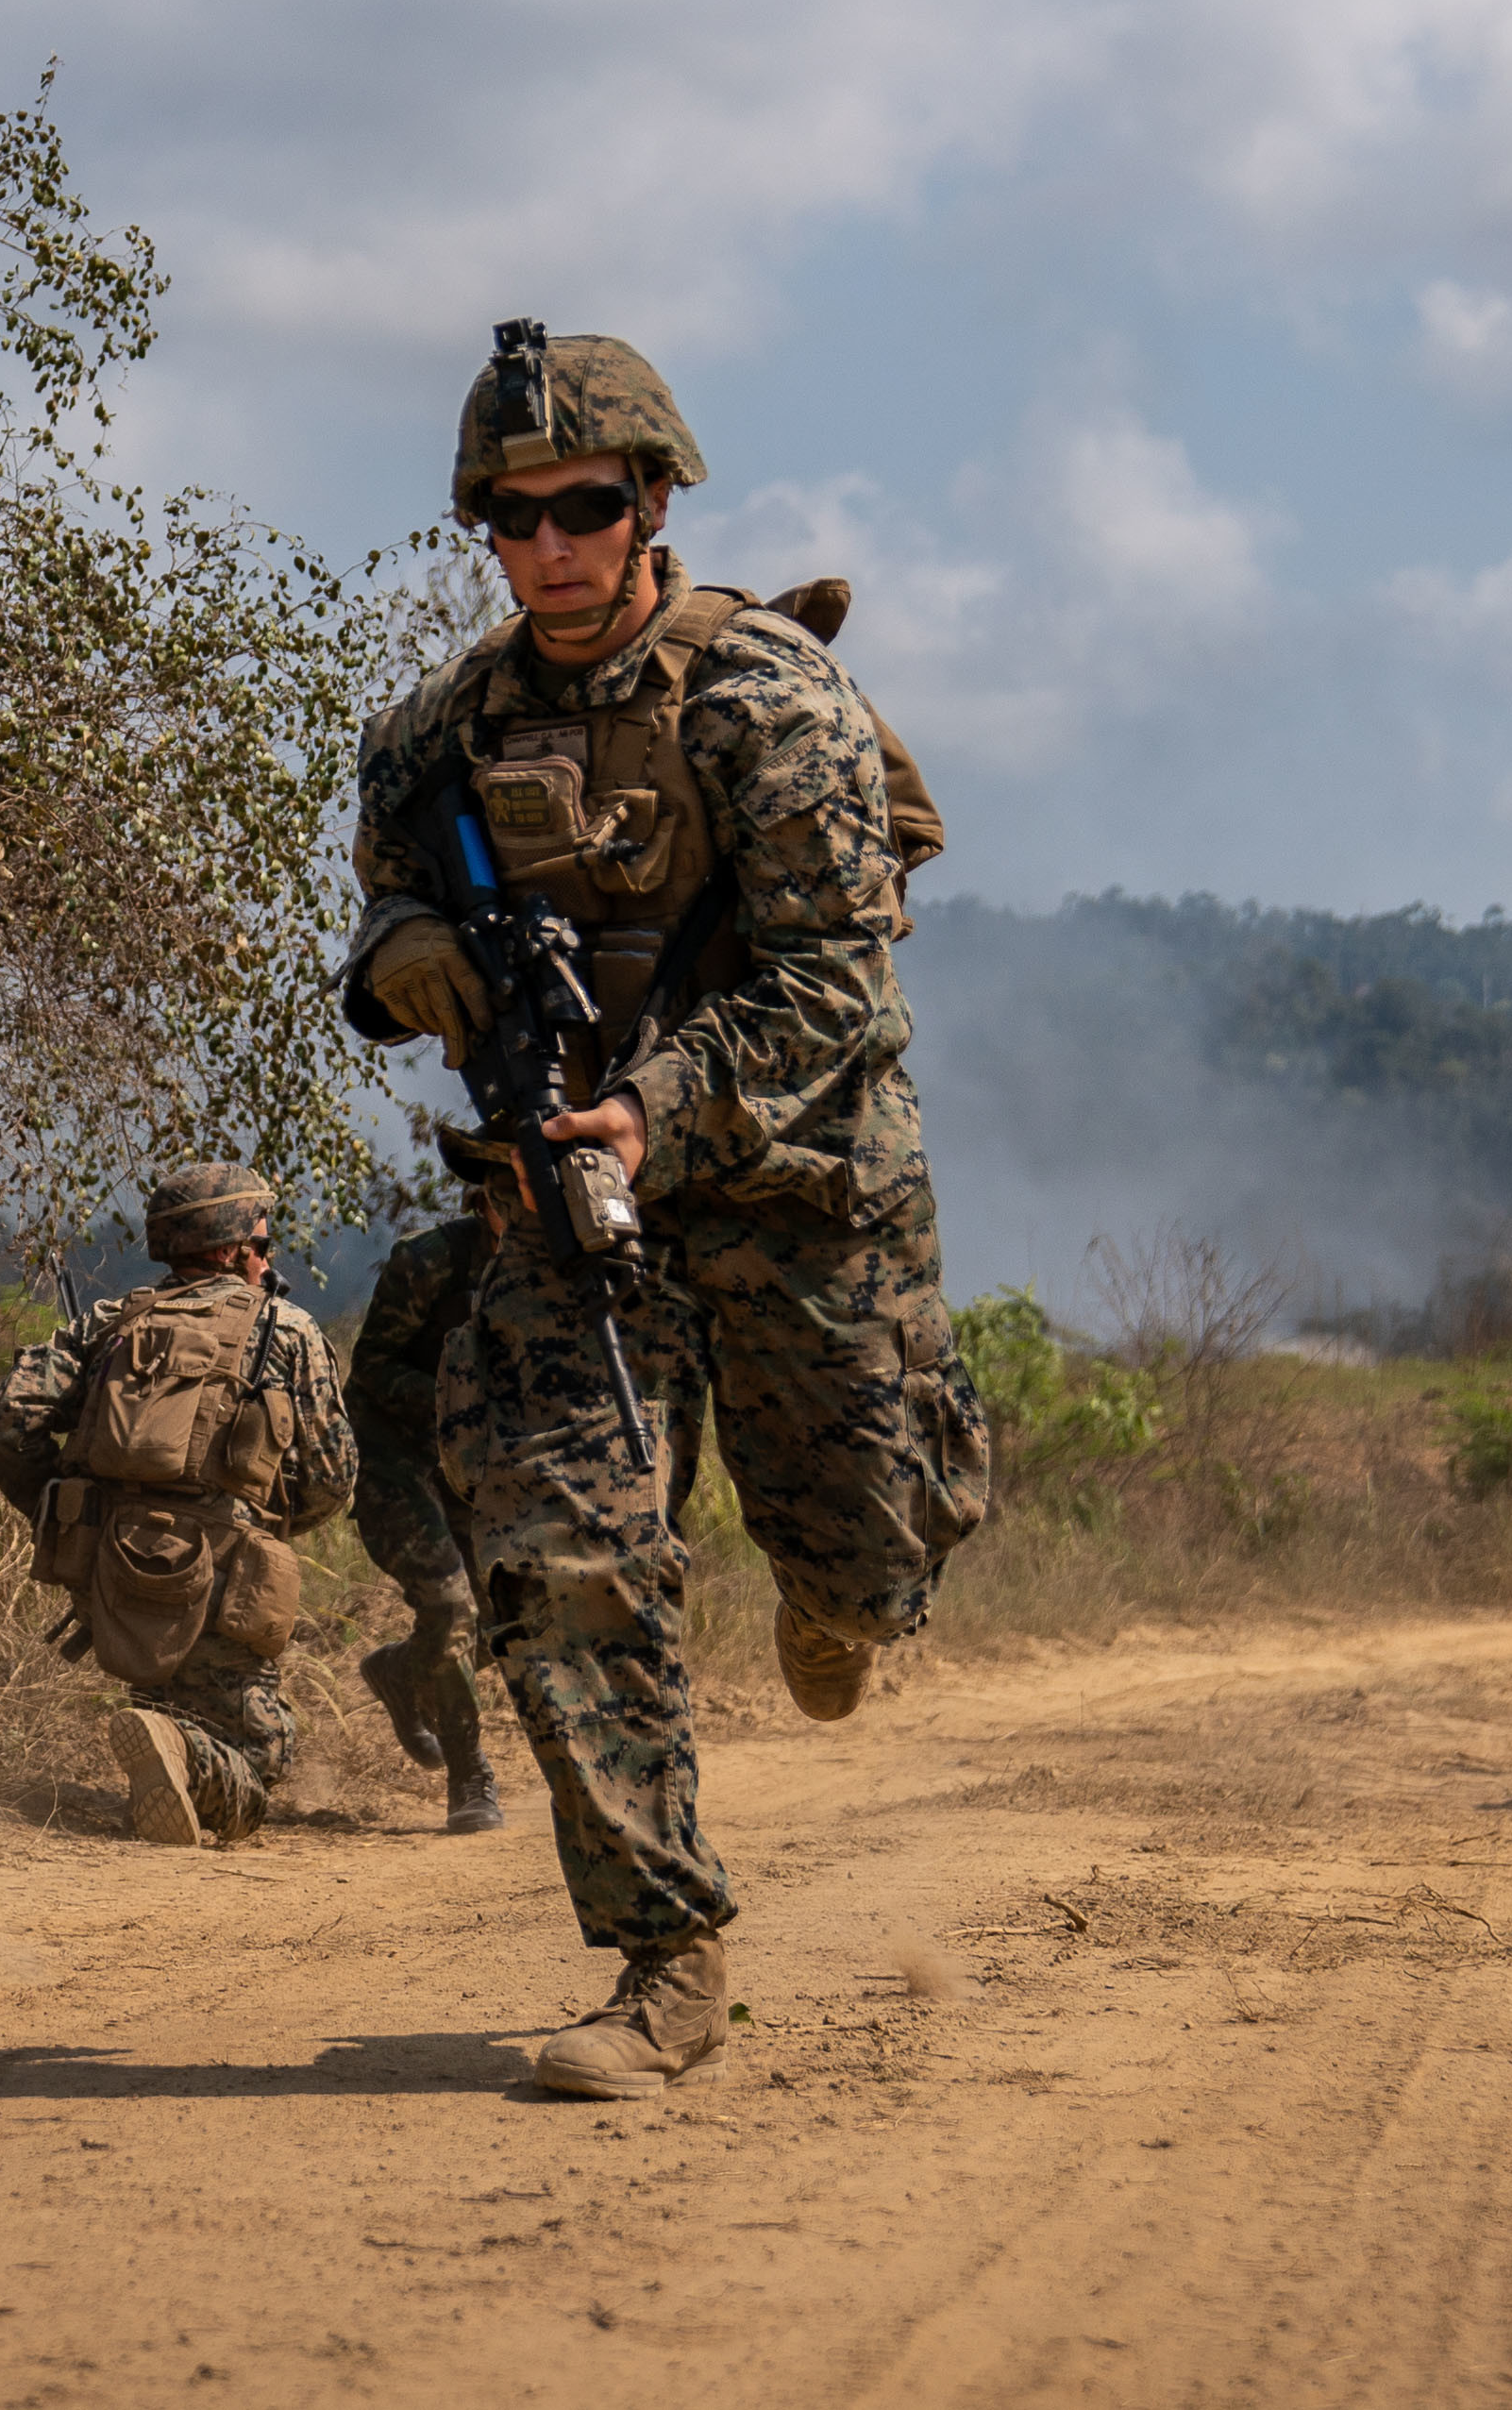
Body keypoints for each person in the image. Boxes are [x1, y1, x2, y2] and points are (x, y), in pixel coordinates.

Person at [344, 323, 988, 2100]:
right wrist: (422, 973)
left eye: (584, 507)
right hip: (558, 1203)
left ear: (651, 505)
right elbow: (385, 905)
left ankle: (846, 1592)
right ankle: (663, 1959)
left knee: (863, 1549)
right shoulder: (443, 732)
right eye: (511, 514)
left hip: (789, 1192)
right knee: (558, 1552)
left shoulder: (769, 703)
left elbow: (832, 988)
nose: (547, 543)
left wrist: (655, 1105)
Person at [0, 1166, 356, 1848]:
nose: (269, 1258)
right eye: (263, 1243)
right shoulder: (289, 1329)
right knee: (260, 1765)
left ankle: (167, 1757)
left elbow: (5, 1418)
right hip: (227, 1578)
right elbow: (333, 1477)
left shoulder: (112, 1322)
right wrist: (263, 1519)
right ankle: (180, 1750)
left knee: (163, 1695)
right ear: (231, 1248)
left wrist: (61, 1509)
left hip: (113, 1567)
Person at [346, 1204, 510, 1835]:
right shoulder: (428, 1261)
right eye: (509, 1193)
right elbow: (371, 1367)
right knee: (449, 1606)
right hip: (394, 1457)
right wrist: (454, 1395)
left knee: (518, 1615)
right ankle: (470, 1772)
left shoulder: (554, 1263)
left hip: (476, 1464)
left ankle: (401, 1670)